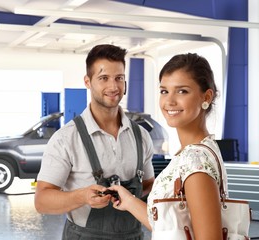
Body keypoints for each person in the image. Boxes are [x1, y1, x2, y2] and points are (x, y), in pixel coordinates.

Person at [34, 44, 155, 240]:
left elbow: (149, 185)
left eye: (119, 78)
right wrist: (82, 196)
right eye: (103, 78)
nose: (113, 87)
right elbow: (42, 201)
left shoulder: (141, 136)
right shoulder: (66, 138)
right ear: (88, 82)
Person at [109, 53, 228, 240]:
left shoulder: (195, 161)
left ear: (206, 96)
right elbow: (169, 228)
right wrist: (129, 201)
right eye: (164, 91)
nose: (169, 101)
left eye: (182, 91)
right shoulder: (196, 151)